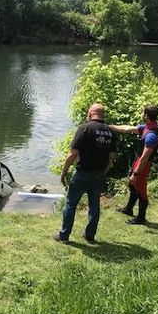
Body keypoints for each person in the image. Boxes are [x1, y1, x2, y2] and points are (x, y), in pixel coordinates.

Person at [54, 103, 116, 244]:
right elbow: (111, 157)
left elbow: (72, 153)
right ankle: (90, 236)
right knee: (94, 206)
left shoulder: (85, 128)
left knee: (70, 204)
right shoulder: (110, 131)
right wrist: (104, 172)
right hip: (99, 174)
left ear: (90, 114)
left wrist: (64, 172)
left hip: (82, 174)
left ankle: (64, 236)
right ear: (102, 115)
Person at [109, 105, 158, 225]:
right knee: (132, 185)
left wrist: (136, 173)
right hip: (138, 162)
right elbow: (127, 129)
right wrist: (109, 127)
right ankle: (129, 209)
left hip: (143, 165)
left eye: (142, 112)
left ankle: (141, 218)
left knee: (141, 190)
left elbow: (145, 157)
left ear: (146, 115)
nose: (141, 114)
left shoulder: (151, 135)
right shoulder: (146, 127)